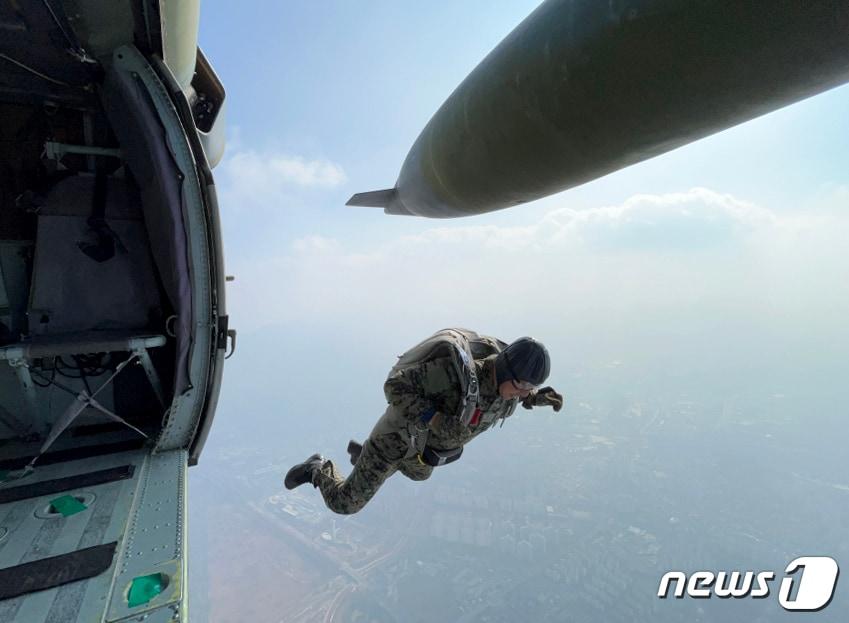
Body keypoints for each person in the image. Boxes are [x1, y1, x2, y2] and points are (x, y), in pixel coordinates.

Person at [284, 329, 563, 515]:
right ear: (505, 370)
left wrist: (537, 398)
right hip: (396, 440)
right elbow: (394, 387)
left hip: (423, 452)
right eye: (523, 385)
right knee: (345, 504)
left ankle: (366, 461)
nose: (523, 392)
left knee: (419, 474)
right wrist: (434, 417)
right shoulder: (454, 377)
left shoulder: (508, 391)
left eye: (530, 387)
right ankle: (317, 468)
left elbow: (516, 395)